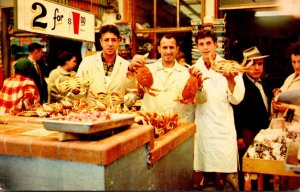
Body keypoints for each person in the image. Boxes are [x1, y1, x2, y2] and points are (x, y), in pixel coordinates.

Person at [192, 29, 245, 191]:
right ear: (197, 47)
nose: (206, 47)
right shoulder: (194, 70)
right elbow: (192, 100)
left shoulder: (229, 66)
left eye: (209, 43)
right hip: (203, 131)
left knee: (230, 181)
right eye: (201, 44)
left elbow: (237, 99)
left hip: (224, 131)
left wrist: (231, 80)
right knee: (207, 181)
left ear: (216, 44)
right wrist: (196, 84)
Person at [131, 34, 206, 123]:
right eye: (165, 47)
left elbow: (201, 100)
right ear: (159, 49)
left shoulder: (188, 73)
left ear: (177, 49)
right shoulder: (147, 70)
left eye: (171, 47)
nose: (168, 51)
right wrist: (131, 67)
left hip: (178, 126)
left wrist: (200, 85)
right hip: (150, 124)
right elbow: (132, 88)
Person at [232, 46, 273, 190]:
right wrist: (239, 136)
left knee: (264, 167)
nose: (256, 68)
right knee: (248, 170)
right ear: (245, 66)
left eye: (260, 64)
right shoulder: (241, 84)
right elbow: (235, 111)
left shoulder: (265, 82)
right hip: (247, 133)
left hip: (264, 133)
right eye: (252, 64)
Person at [77, 24, 138, 107]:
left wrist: (122, 100)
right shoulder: (87, 63)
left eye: (113, 40)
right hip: (92, 114)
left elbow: (133, 92)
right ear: (101, 42)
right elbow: (79, 91)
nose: (110, 44)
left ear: (119, 41)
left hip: (117, 114)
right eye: (106, 40)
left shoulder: (127, 66)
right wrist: (76, 91)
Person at [272, 40, 300, 119]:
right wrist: (275, 103)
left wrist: (288, 108)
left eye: (299, 61)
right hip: (283, 126)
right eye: (293, 62)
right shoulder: (290, 77)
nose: (296, 66)